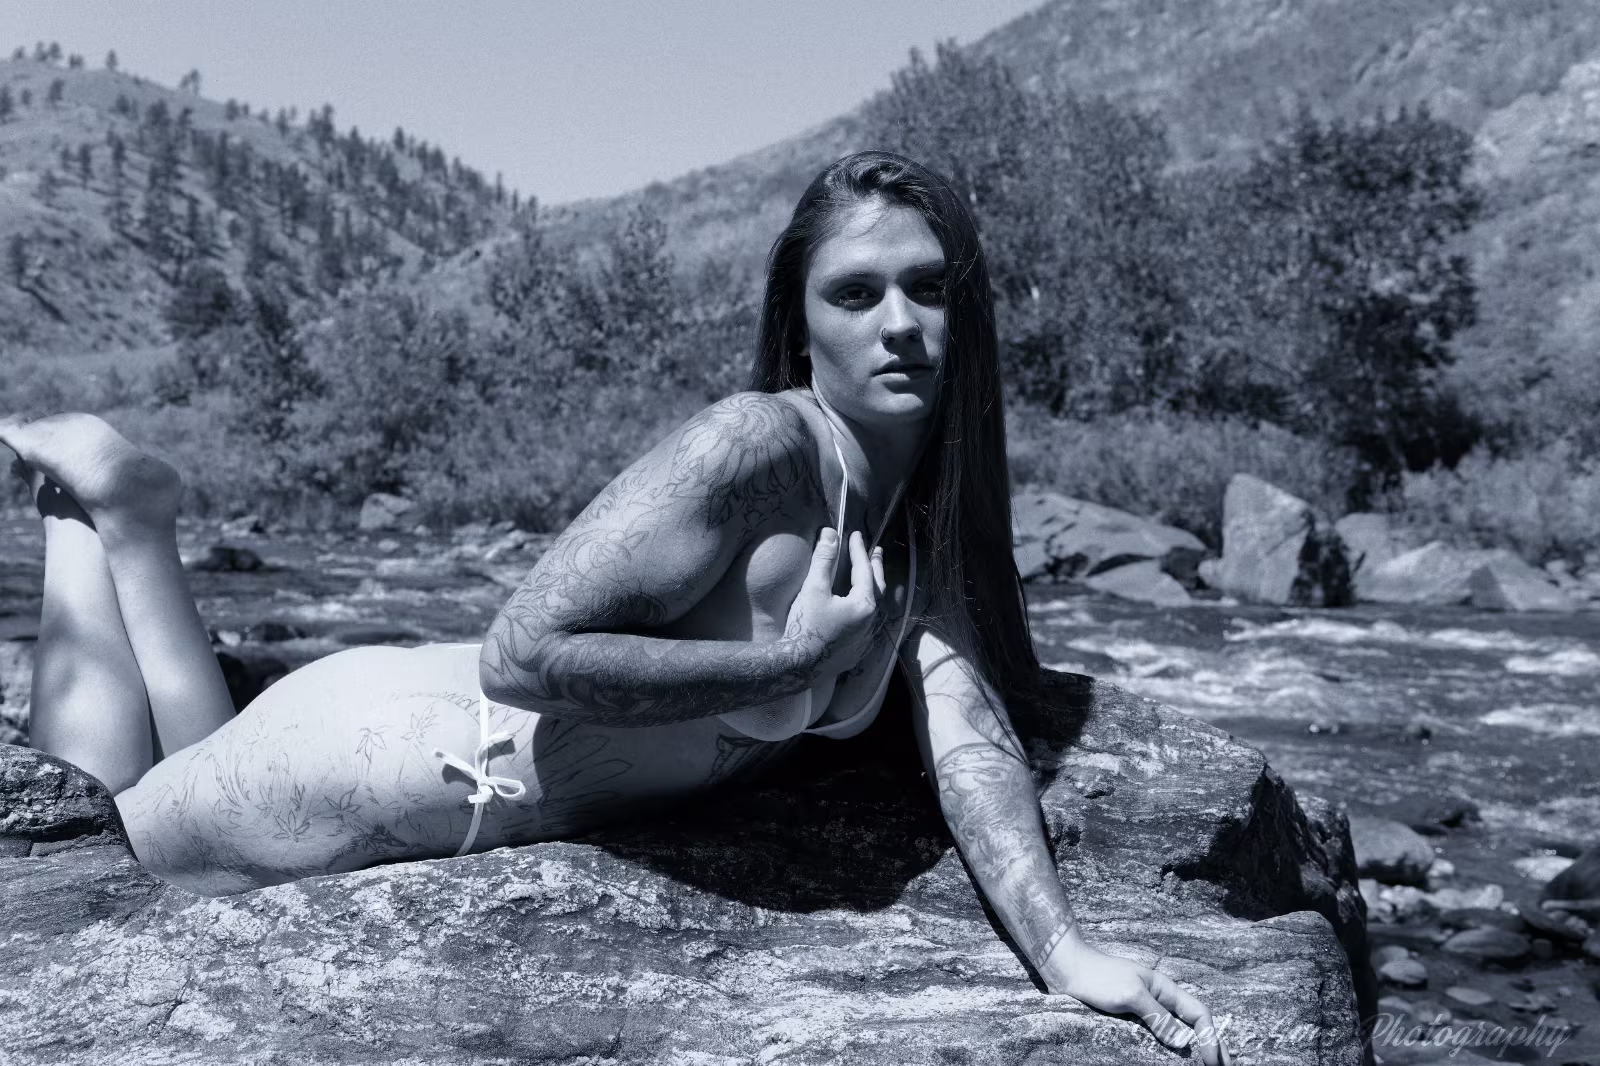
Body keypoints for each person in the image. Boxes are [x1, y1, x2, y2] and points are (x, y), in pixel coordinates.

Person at [2, 152, 1228, 1065]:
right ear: (800, 326)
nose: (898, 323)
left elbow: (967, 736)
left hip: (414, 765)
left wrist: (1063, 950)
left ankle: (129, 521)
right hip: (381, 764)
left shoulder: (915, 517)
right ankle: (84, 528)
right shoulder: (755, 446)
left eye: (925, 287)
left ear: (969, 308)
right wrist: (785, 664)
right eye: (855, 294)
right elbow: (521, 653)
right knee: (69, 853)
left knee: (137, 809)